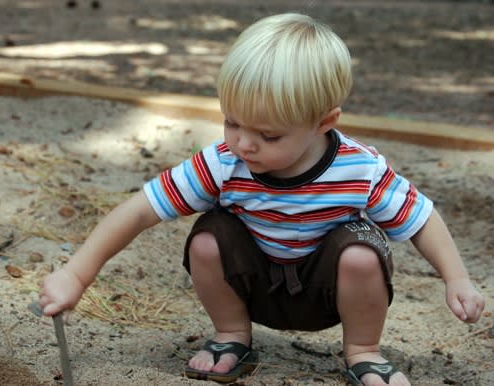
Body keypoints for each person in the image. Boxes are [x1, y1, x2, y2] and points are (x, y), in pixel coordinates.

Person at [39, 13, 485, 386]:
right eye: (232, 122)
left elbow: (422, 218)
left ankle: (363, 351)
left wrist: (456, 278)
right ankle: (232, 334)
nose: (243, 144)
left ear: (323, 122)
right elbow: (139, 210)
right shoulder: (222, 162)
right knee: (208, 239)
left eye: (268, 134)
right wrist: (77, 274)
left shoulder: (359, 169)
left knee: (361, 253)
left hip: (326, 293)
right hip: (254, 287)